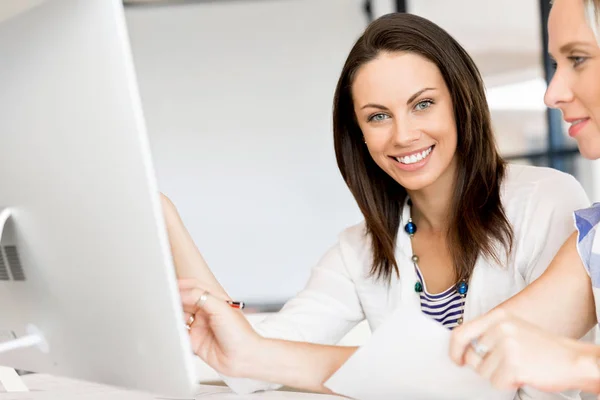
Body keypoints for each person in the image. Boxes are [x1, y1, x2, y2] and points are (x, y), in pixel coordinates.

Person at [165, 12, 591, 398]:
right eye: (378, 116)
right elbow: (247, 362)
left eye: (423, 104)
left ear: (461, 105)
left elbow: (480, 381)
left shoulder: (548, 201)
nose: (403, 135)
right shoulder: (361, 249)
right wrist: (166, 219)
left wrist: (257, 356)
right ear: (359, 134)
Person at [449, 0, 600, 395]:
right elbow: (477, 353)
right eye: (556, 65)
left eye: (579, 59)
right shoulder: (594, 241)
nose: (552, 93)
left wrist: (581, 364)